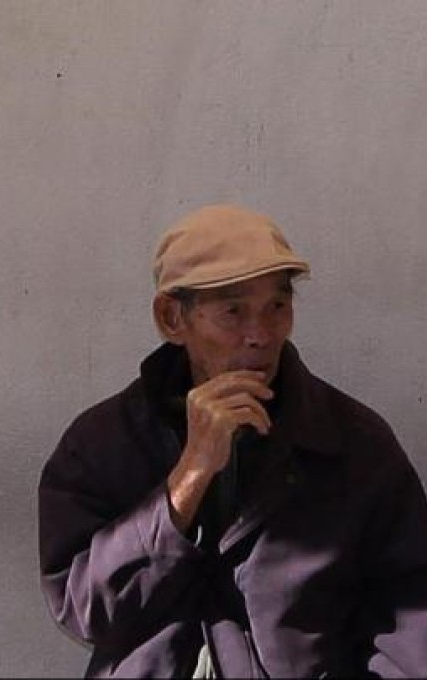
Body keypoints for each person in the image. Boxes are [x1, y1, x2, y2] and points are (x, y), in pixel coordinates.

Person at [38, 203, 427, 678]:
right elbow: (85, 609)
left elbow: (411, 612)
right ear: (171, 318)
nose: (260, 336)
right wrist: (189, 477)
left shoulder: (353, 443)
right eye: (233, 312)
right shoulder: (101, 443)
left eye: (277, 308)